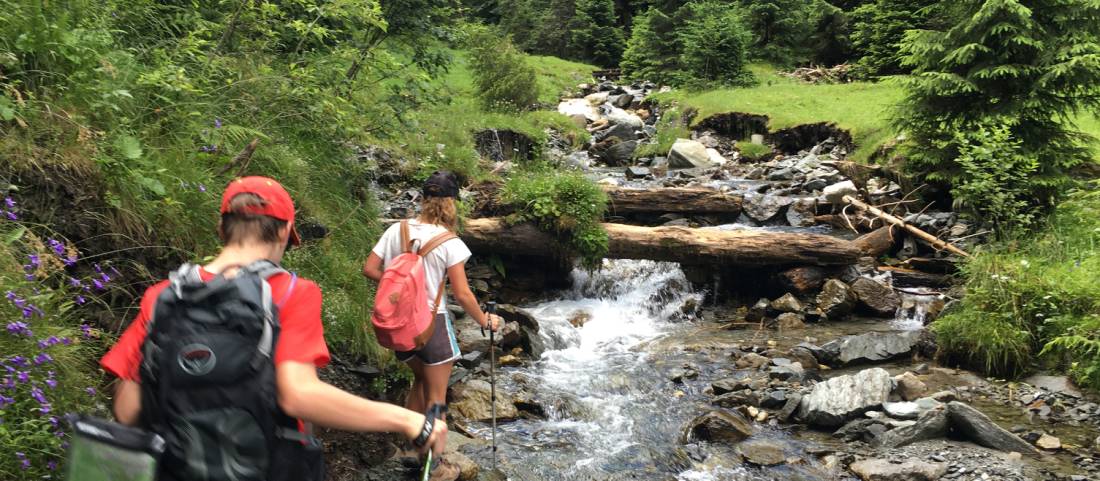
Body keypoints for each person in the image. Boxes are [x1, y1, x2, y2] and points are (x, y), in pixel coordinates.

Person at [100, 176, 447, 481]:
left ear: (222, 229)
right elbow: (299, 395)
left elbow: (128, 409)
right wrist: (407, 421)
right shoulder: (293, 292)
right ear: (284, 232)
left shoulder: (162, 296)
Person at [363, 171, 502, 477]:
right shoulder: (450, 242)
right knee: (437, 396)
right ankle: (434, 463)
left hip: (399, 326)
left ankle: (413, 448)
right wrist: (485, 320)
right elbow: (464, 295)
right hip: (432, 325)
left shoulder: (397, 230)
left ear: (423, 198)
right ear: (452, 203)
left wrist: (400, 291)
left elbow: (370, 268)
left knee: (420, 381)